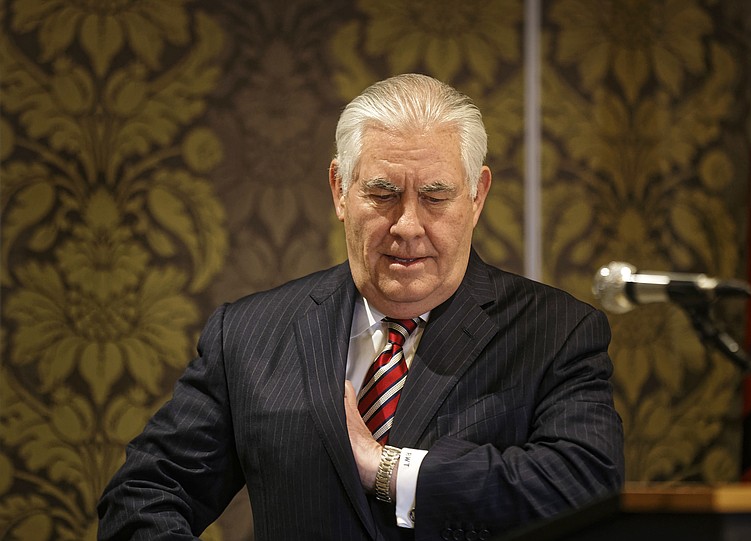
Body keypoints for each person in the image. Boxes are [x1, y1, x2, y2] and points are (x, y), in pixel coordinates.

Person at [97, 73, 624, 541]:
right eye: (383, 193)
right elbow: (143, 494)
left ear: (477, 195)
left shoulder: (556, 332)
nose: (408, 226)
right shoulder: (250, 334)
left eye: (436, 197)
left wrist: (385, 468)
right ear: (340, 190)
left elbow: (584, 485)